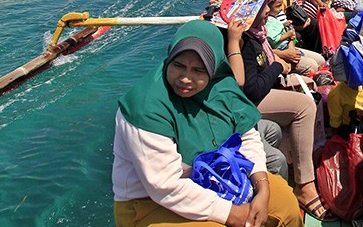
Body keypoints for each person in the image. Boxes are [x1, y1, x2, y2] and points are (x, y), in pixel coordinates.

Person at [111, 21, 301, 227]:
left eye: (199, 70)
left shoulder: (222, 85)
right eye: (178, 65)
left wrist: (262, 185)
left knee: (285, 206)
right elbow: (164, 185)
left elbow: (246, 136)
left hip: (217, 175)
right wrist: (231, 214)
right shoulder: (145, 108)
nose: (185, 78)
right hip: (150, 202)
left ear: (214, 69)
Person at [230, 0, 332, 220]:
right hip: (247, 102)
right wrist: (278, 66)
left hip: (264, 88)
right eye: (263, 7)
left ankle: (304, 156)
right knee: (304, 106)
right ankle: (305, 185)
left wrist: (280, 67)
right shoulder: (246, 41)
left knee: (311, 87)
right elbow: (252, 90)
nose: (268, 12)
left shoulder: (258, 34)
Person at [264, 0, 325, 74]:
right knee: (313, 65)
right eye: (278, 6)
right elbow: (274, 39)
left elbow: (285, 30)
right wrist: (287, 51)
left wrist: (291, 46)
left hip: (287, 45)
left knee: (321, 60)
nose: (281, 8)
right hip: (279, 51)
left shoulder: (274, 17)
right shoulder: (266, 23)